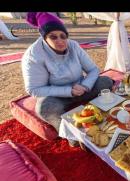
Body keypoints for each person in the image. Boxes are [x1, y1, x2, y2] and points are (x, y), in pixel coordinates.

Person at [22, 12, 114, 146]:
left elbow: (93, 70)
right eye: (53, 37)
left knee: (105, 81)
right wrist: (68, 91)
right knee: (44, 107)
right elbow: (34, 89)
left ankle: (96, 115)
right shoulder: (33, 56)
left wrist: (85, 86)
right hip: (57, 95)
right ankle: (71, 135)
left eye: (63, 36)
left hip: (82, 88)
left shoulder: (73, 45)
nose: (60, 41)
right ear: (44, 37)